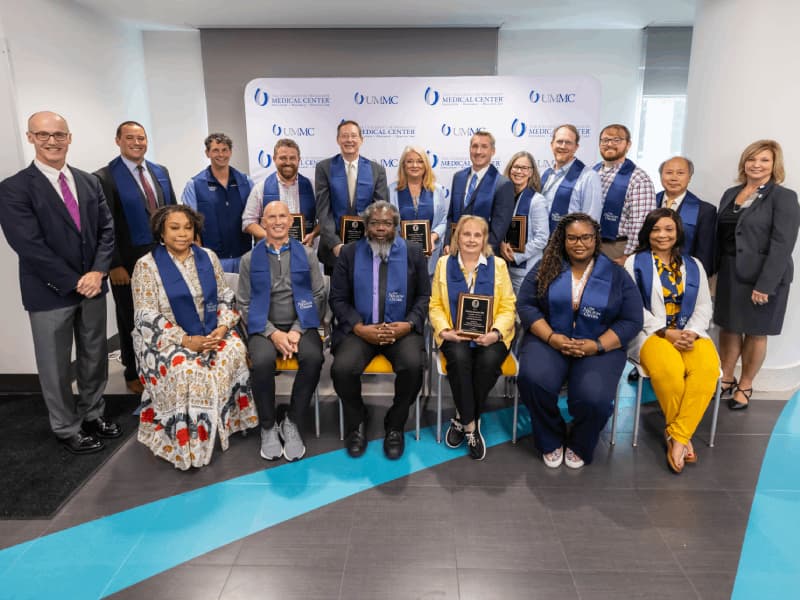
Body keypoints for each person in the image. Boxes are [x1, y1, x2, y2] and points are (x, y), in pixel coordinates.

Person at [0, 111, 119, 454]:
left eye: (58, 134)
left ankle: (93, 413)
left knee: (94, 356)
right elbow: (28, 245)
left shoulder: (88, 182)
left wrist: (97, 273)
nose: (52, 141)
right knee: (54, 365)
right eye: (43, 135)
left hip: (94, 287)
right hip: (49, 293)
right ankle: (66, 427)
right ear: (30, 138)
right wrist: (74, 281)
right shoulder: (14, 189)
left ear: (69, 137)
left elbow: (106, 232)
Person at [131, 205, 258, 470]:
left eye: (188, 228)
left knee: (232, 349)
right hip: (166, 341)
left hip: (212, 331)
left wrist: (222, 329)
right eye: (174, 228)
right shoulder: (146, 266)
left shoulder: (208, 257)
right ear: (161, 233)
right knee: (188, 369)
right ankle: (190, 441)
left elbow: (224, 295)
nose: (182, 234)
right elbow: (145, 315)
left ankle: (229, 423)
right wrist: (186, 340)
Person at [516, 213, 643, 468]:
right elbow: (527, 305)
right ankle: (550, 436)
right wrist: (551, 338)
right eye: (572, 238)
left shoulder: (616, 274)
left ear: (596, 239)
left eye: (586, 237)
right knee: (533, 380)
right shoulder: (546, 266)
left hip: (599, 346)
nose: (579, 243)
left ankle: (581, 441)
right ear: (562, 240)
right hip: (549, 340)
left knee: (593, 397)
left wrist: (596, 345)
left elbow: (631, 320)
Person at [329, 201, 429, 460]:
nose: (380, 228)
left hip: (401, 329)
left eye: (386, 223)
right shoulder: (349, 253)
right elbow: (337, 299)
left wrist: (408, 324)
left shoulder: (414, 252)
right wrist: (360, 328)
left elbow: (424, 297)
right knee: (341, 369)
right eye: (375, 223)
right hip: (361, 330)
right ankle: (357, 420)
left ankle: (395, 425)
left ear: (395, 225)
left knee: (413, 366)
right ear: (366, 226)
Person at [625, 208, 719, 473]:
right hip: (651, 333)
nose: (662, 235)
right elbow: (633, 307)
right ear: (648, 233)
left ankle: (677, 436)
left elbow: (703, 305)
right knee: (671, 371)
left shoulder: (694, 265)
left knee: (707, 371)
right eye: (655, 229)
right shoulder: (636, 262)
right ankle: (683, 437)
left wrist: (692, 331)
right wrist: (666, 332)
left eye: (668, 229)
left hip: (691, 332)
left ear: (678, 232)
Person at [714, 140, 800, 410]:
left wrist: (766, 284)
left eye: (764, 160)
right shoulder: (731, 193)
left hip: (763, 277)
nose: (756, 164)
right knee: (728, 327)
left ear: (775, 165)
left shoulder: (783, 197)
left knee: (755, 332)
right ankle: (725, 378)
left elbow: (783, 244)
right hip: (729, 271)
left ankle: (746, 384)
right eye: (752, 159)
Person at [237, 201, 326, 462]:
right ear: (262, 222)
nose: (277, 221)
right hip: (263, 327)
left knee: (313, 358)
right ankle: (267, 426)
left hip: (302, 323)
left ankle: (292, 421)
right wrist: (273, 333)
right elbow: (243, 302)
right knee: (262, 361)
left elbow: (319, 294)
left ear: (291, 221)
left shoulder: (307, 254)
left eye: (282, 216)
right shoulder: (249, 259)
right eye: (271, 217)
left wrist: (297, 331)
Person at [95, 121, 176, 395]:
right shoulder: (105, 177)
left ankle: (164, 365)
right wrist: (114, 263)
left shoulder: (159, 172)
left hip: (163, 257)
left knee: (165, 313)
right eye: (130, 138)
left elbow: (173, 213)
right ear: (118, 140)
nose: (137, 142)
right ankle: (134, 371)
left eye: (141, 138)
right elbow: (104, 225)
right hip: (127, 263)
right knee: (131, 318)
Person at [429, 216, 516, 460]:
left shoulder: (497, 265)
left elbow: (508, 305)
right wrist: (445, 330)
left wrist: (496, 333)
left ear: (485, 239)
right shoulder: (444, 263)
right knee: (458, 359)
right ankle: (471, 427)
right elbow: (435, 304)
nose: (471, 239)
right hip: (454, 334)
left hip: (492, 334)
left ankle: (461, 417)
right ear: (457, 236)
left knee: (487, 363)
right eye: (466, 234)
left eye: (477, 235)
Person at [315, 121, 388, 274]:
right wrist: (335, 244)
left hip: (368, 246)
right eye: (345, 136)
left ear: (361, 140)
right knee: (337, 296)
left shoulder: (377, 170)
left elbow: (380, 212)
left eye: (354, 136)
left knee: (366, 295)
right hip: (333, 249)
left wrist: (369, 240)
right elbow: (323, 211)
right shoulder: (324, 168)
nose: (349, 140)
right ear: (338, 140)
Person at [181, 133, 253, 273]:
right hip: (212, 258)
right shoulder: (194, 185)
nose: (221, 154)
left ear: (230, 152)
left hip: (244, 256)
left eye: (225, 150)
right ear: (207, 153)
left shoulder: (246, 182)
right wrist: (198, 254)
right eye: (215, 150)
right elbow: (191, 224)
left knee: (244, 295)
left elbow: (254, 218)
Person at [443, 131, 515, 254]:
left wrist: (474, 253)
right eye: (475, 146)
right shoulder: (458, 177)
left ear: (493, 151)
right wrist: (448, 243)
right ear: (470, 149)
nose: (478, 151)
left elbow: (499, 230)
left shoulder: (503, 184)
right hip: (455, 253)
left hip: (483, 257)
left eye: (484, 147)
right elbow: (451, 217)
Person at [593, 124, 657, 264]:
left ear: (628, 144)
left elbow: (642, 224)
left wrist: (629, 257)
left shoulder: (638, 178)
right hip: (590, 245)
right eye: (605, 140)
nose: (609, 144)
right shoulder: (593, 172)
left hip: (617, 248)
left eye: (616, 140)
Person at [242, 138, 318, 246]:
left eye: (292, 158)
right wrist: (270, 237)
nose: (288, 162)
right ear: (274, 159)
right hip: (271, 254)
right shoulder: (261, 188)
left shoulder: (313, 186)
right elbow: (248, 222)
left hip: (305, 251)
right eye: (283, 158)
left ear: (298, 159)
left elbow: (326, 218)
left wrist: (313, 234)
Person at [388, 145, 449, 275]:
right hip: (400, 253)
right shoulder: (392, 191)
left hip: (431, 254)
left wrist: (432, 237)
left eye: (420, 161)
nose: (415, 165)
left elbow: (444, 221)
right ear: (403, 165)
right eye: (409, 161)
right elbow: (388, 223)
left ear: (426, 165)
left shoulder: (436, 190)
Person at [498, 151, 549, 292]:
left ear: (531, 172)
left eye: (524, 168)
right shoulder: (503, 198)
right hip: (503, 267)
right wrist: (501, 244)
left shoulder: (537, 200)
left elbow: (542, 238)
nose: (519, 171)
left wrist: (516, 255)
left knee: (522, 312)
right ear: (510, 169)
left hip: (526, 271)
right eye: (516, 167)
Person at [656, 156, 716, 275]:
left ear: (689, 177)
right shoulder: (646, 202)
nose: (674, 178)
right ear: (661, 176)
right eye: (668, 173)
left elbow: (704, 255)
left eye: (680, 173)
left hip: (683, 275)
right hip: (647, 270)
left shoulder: (705, 211)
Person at [540, 124, 603, 229]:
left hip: (568, 242)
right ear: (552, 144)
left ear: (576, 147)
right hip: (541, 241)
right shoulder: (545, 174)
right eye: (559, 141)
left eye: (568, 142)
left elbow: (591, 221)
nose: (563, 146)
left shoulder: (589, 177)